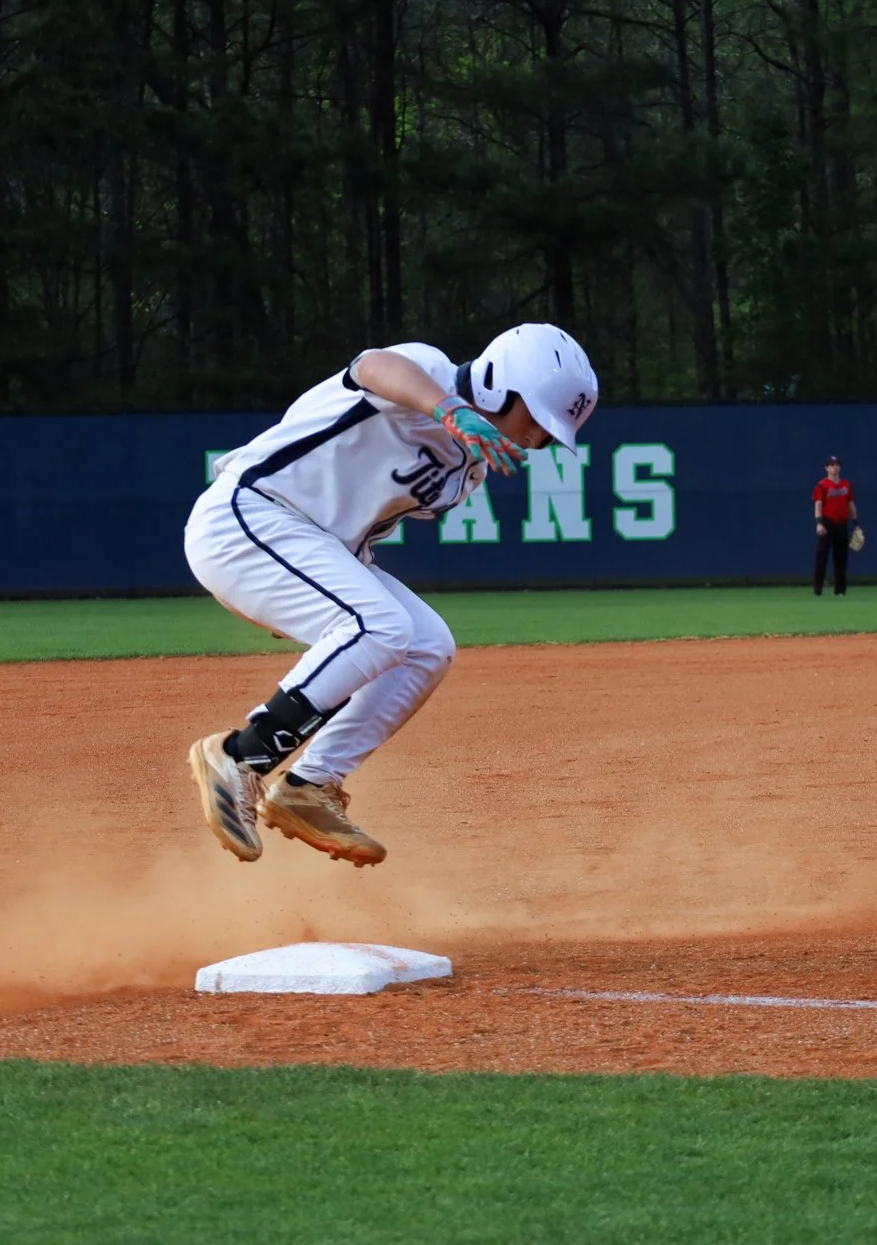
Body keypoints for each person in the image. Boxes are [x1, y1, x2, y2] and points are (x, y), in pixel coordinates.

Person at [183, 323, 599, 868]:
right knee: (381, 625)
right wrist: (448, 408)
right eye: (537, 421)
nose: (536, 440)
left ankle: (310, 785)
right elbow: (372, 366)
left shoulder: (468, 467)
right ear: (501, 385)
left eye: (547, 434)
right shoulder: (426, 372)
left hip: (303, 548)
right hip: (249, 516)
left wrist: (299, 591)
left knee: (427, 644)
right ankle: (242, 757)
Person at [812, 454, 857, 595]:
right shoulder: (821, 485)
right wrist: (819, 523)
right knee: (821, 558)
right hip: (827, 524)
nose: (835, 467)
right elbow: (818, 504)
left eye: (837, 464)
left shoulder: (846, 485)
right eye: (831, 465)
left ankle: (840, 591)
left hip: (842, 525)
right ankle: (818, 589)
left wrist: (856, 522)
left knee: (841, 560)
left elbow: (850, 504)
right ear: (826, 468)